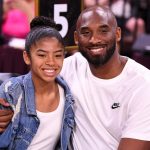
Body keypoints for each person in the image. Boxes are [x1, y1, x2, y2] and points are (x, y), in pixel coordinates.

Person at [1, 5, 150, 150]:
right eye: (86, 33)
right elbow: (27, 80)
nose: (94, 39)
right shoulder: (69, 66)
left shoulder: (143, 84)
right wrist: (4, 102)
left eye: (103, 31)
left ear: (117, 34)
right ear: (76, 38)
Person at [0, 16, 74, 150]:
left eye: (57, 55)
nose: (51, 62)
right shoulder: (12, 91)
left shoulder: (67, 93)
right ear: (27, 57)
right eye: (42, 55)